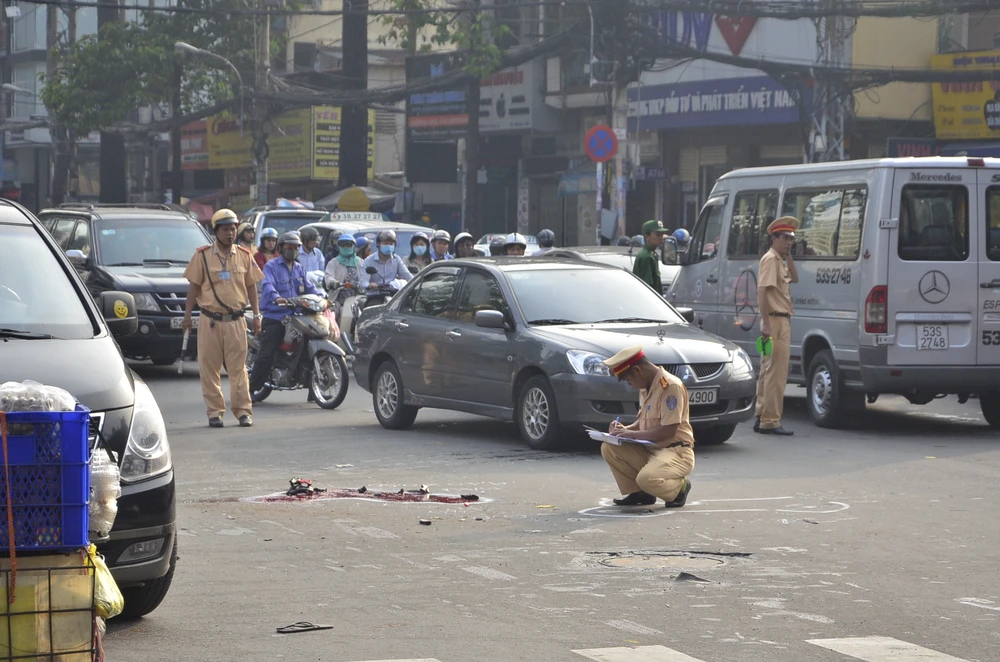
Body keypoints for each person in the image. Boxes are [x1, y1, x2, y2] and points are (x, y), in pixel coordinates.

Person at [182, 208, 263, 429]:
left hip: (236, 321)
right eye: (226, 229)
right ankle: (214, 412)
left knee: (239, 370)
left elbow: (252, 288)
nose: (230, 233)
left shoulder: (245, 256)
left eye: (233, 229)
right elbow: (193, 288)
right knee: (210, 369)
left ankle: (243, 412)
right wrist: (187, 316)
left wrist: (256, 315)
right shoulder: (202, 256)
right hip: (210, 321)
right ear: (215, 230)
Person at [600, 345, 694, 508]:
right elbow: (643, 422)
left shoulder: (670, 386)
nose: (630, 384)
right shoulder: (646, 387)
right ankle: (641, 493)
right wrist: (624, 430)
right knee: (610, 447)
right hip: (651, 449)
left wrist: (631, 435)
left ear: (637, 371)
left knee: (647, 478)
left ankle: (680, 487)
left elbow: (669, 430)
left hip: (676, 451)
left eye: (628, 379)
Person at [250, 232, 324, 402]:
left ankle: (312, 388)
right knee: (267, 353)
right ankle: (251, 389)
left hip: (296, 316)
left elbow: (310, 287)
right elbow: (267, 285)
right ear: (281, 247)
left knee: (308, 346)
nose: (293, 249)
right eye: (290, 246)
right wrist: (277, 297)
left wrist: (322, 298)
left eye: (296, 247)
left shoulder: (299, 268)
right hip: (276, 316)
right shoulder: (271, 266)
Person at [755, 216, 799, 436]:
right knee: (776, 373)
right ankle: (770, 421)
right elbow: (762, 290)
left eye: (791, 239)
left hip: (779, 319)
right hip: (775, 321)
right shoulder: (771, 260)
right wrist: (764, 321)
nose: (789, 242)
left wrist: (788, 255)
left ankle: (761, 414)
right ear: (774, 238)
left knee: (767, 370)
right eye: (785, 238)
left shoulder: (779, 259)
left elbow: (795, 278)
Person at [325, 233, 364, 302]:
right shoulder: (333, 263)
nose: (345, 247)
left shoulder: (360, 262)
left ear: (353, 246)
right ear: (338, 247)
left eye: (348, 244)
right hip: (337, 298)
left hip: (358, 299)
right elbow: (328, 277)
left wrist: (358, 284)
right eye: (342, 245)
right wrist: (335, 283)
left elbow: (365, 278)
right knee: (333, 312)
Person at [633, 220, 667, 292]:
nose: (661, 237)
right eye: (658, 235)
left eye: (662, 234)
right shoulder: (646, 256)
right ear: (647, 237)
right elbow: (648, 287)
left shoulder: (652, 254)